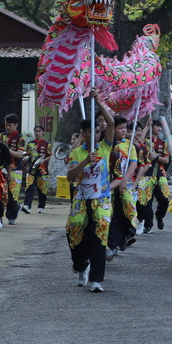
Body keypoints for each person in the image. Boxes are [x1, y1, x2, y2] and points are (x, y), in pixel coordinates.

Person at [65, 98, 117, 292]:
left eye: (97, 131)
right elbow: (70, 176)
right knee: (74, 233)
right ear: (84, 134)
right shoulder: (76, 153)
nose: (96, 134)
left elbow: (110, 122)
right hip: (80, 200)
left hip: (101, 200)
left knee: (99, 237)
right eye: (91, 131)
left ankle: (96, 280)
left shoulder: (105, 147)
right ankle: (81, 265)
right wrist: (86, 161)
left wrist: (98, 100)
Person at [106, 116, 138, 261]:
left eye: (125, 128)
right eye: (120, 128)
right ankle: (112, 245)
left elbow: (133, 164)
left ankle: (125, 236)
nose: (124, 131)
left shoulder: (129, 145)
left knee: (126, 214)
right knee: (112, 216)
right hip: (109, 184)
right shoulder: (107, 144)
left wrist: (125, 179)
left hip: (124, 185)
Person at [0, 113, 26, 224]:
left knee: (13, 194)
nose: (7, 127)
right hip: (3, 168)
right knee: (1, 192)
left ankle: (11, 216)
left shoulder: (20, 138)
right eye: (6, 125)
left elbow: (19, 154)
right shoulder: (2, 136)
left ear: (16, 125)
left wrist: (6, 150)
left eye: (10, 125)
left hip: (16, 169)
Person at [146, 120, 171, 231]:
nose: (159, 129)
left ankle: (159, 216)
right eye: (157, 126)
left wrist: (156, 157)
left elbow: (166, 160)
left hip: (160, 174)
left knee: (164, 199)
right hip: (146, 174)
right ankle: (148, 225)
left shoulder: (163, 143)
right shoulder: (145, 141)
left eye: (160, 127)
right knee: (147, 201)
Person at [20, 124, 50, 214]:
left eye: (39, 131)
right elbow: (27, 154)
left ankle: (41, 206)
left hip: (42, 170)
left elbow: (50, 156)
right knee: (29, 187)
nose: (37, 133)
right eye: (36, 131)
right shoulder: (30, 143)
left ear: (43, 132)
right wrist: (25, 159)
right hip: (31, 169)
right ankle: (27, 206)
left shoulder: (47, 144)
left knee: (42, 189)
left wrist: (43, 160)